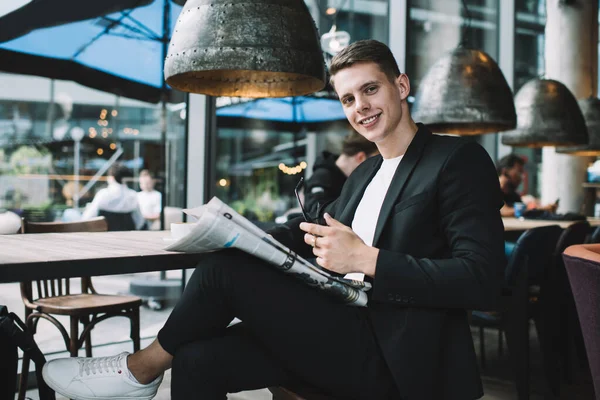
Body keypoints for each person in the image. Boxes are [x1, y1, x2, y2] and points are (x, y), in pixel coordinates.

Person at [42, 39, 505, 400]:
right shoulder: (365, 172)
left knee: (224, 275)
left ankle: (138, 369)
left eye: (370, 89)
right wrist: (237, 233)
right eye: (347, 99)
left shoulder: (455, 160)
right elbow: (315, 237)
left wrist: (370, 260)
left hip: (397, 355)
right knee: (196, 357)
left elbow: (482, 280)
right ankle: (150, 365)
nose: (360, 107)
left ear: (400, 87)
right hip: (338, 328)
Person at [304, 130, 378, 214]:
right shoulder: (322, 179)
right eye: (374, 161)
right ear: (360, 158)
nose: (375, 167)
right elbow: (317, 213)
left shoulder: (346, 178)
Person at [82, 163, 145, 230]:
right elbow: (140, 221)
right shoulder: (133, 195)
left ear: (111, 177)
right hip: (128, 235)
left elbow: (88, 217)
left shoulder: (103, 194)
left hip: (106, 235)